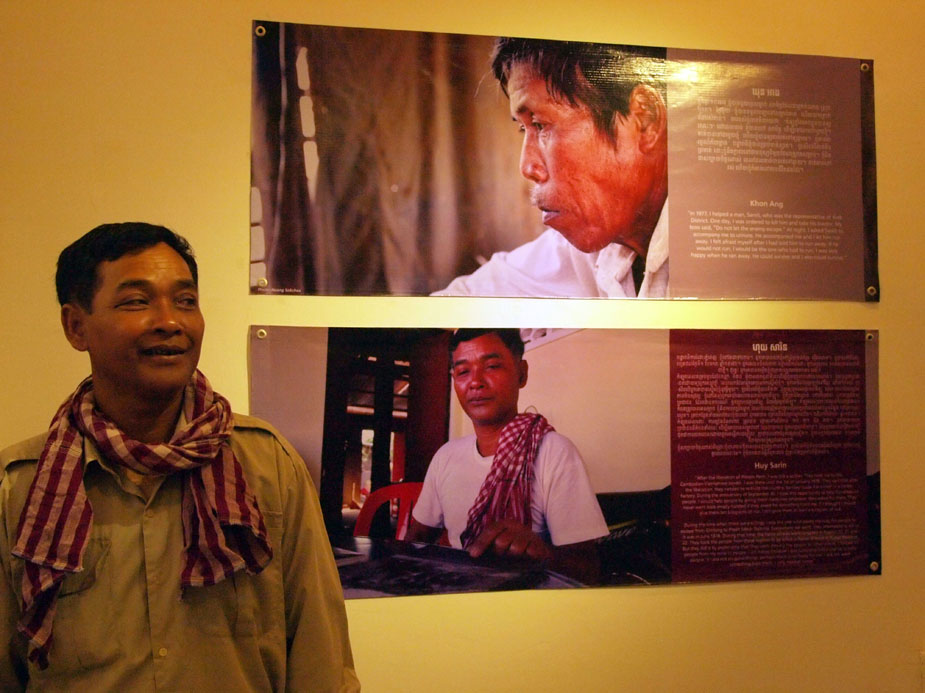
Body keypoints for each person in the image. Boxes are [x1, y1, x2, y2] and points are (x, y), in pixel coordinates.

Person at [0, 223, 359, 691]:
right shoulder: (24, 487)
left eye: (185, 300)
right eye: (136, 301)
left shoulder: (266, 465)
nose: (170, 321)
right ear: (75, 326)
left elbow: (321, 657)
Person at [434, 38, 669, 298]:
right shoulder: (590, 243)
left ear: (645, 120)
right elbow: (458, 299)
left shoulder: (710, 251)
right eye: (524, 128)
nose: (527, 167)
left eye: (541, 124)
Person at [406, 329, 608, 583]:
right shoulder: (446, 456)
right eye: (463, 371)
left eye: (491, 366)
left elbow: (588, 570)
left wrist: (539, 554)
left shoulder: (554, 452)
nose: (475, 382)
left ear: (521, 373)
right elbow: (416, 539)